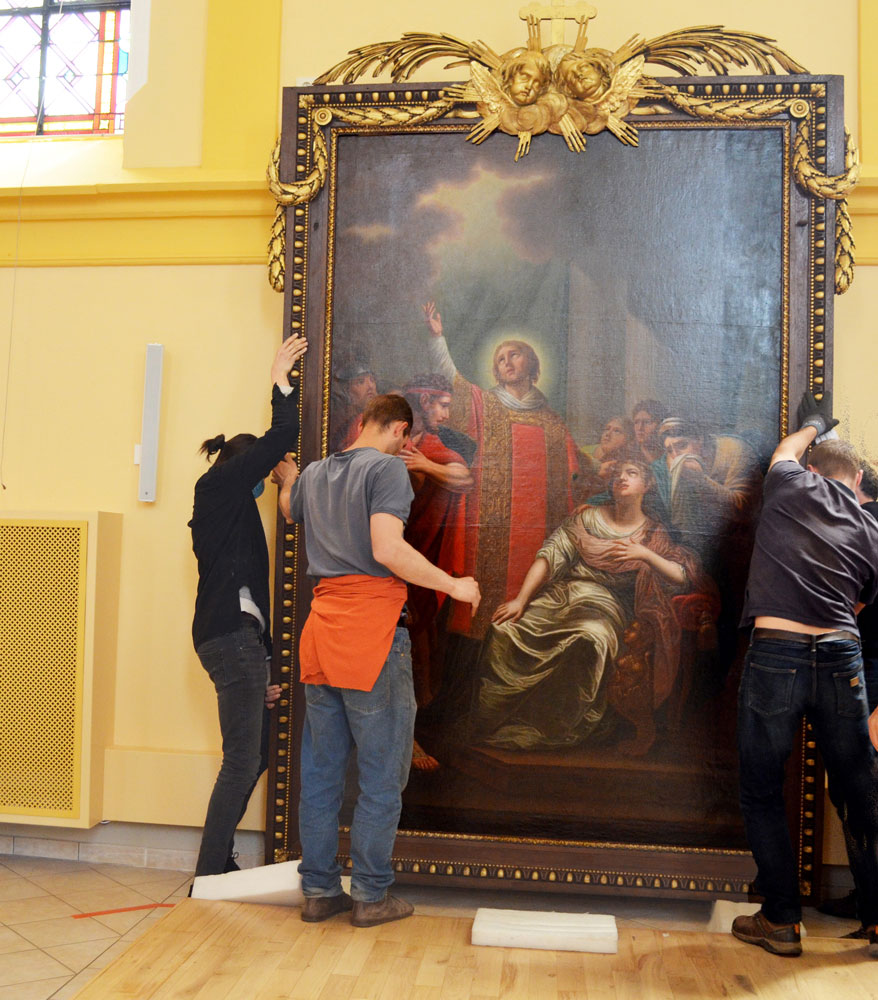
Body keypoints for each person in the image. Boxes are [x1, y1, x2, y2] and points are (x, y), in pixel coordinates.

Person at [278, 393, 480, 927]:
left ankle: (319, 892)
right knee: (382, 776)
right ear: (396, 430)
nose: (405, 448)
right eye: (405, 439)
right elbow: (388, 549)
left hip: (321, 635)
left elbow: (289, 506)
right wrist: (454, 585)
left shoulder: (318, 473)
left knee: (320, 776)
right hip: (371, 636)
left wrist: (286, 476)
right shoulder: (388, 469)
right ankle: (370, 895)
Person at [733, 391, 878, 959]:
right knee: (860, 793)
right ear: (860, 476)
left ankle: (783, 921)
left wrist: (814, 422)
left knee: (763, 789)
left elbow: (786, 450)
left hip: (777, 652)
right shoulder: (872, 530)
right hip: (841, 656)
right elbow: (861, 605)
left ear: (815, 469)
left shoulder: (792, 483)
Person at [473, 460, 702, 752]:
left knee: (591, 638)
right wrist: (521, 599)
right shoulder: (587, 519)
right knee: (504, 629)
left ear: (648, 485)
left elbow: (681, 576)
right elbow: (551, 555)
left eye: (631, 473)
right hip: (563, 596)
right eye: (618, 473)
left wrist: (644, 554)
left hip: (607, 606)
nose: (621, 478)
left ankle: (556, 728)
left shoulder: (652, 533)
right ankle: (498, 721)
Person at [188, 334, 308, 877]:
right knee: (240, 760)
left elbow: (251, 603)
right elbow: (282, 432)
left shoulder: (228, 507)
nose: (268, 476)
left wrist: (261, 670)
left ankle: (219, 866)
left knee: (252, 756)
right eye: (263, 471)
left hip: (239, 644)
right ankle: (211, 874)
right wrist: (281, 378)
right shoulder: (218, 486)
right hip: (230, 641)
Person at [422, 301, 581, 638]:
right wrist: (438, 339)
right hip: (488, 529)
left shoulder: (553, 423)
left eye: (514, 354)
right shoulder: (484, 404)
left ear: (532, 364)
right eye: (500, 359)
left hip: (536, 532)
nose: (507, 362)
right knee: (481, 622)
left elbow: (573, 476)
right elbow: (454, 381)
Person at [400, 374, 474, 770]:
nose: (447, 413)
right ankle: (406, 740)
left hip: (421, 560)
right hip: (390, 561)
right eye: (441, 405)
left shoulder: (429, 446)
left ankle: (411, 735)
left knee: (419, 649)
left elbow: (463, 477)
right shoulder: (399, 444)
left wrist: (425, 465)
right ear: (424, 403)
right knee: (403, 651)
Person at [818, 459, 878, 926]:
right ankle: (867, 901)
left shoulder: (869, 522)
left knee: (862, 787)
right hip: (863, 666)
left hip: (874, 673)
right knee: (855, 787)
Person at [632, 399, 668, 464]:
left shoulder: (669, 452)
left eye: (647, 422)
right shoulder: (629, 453)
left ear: (660, 425)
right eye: (636, 422)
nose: (640, 428)